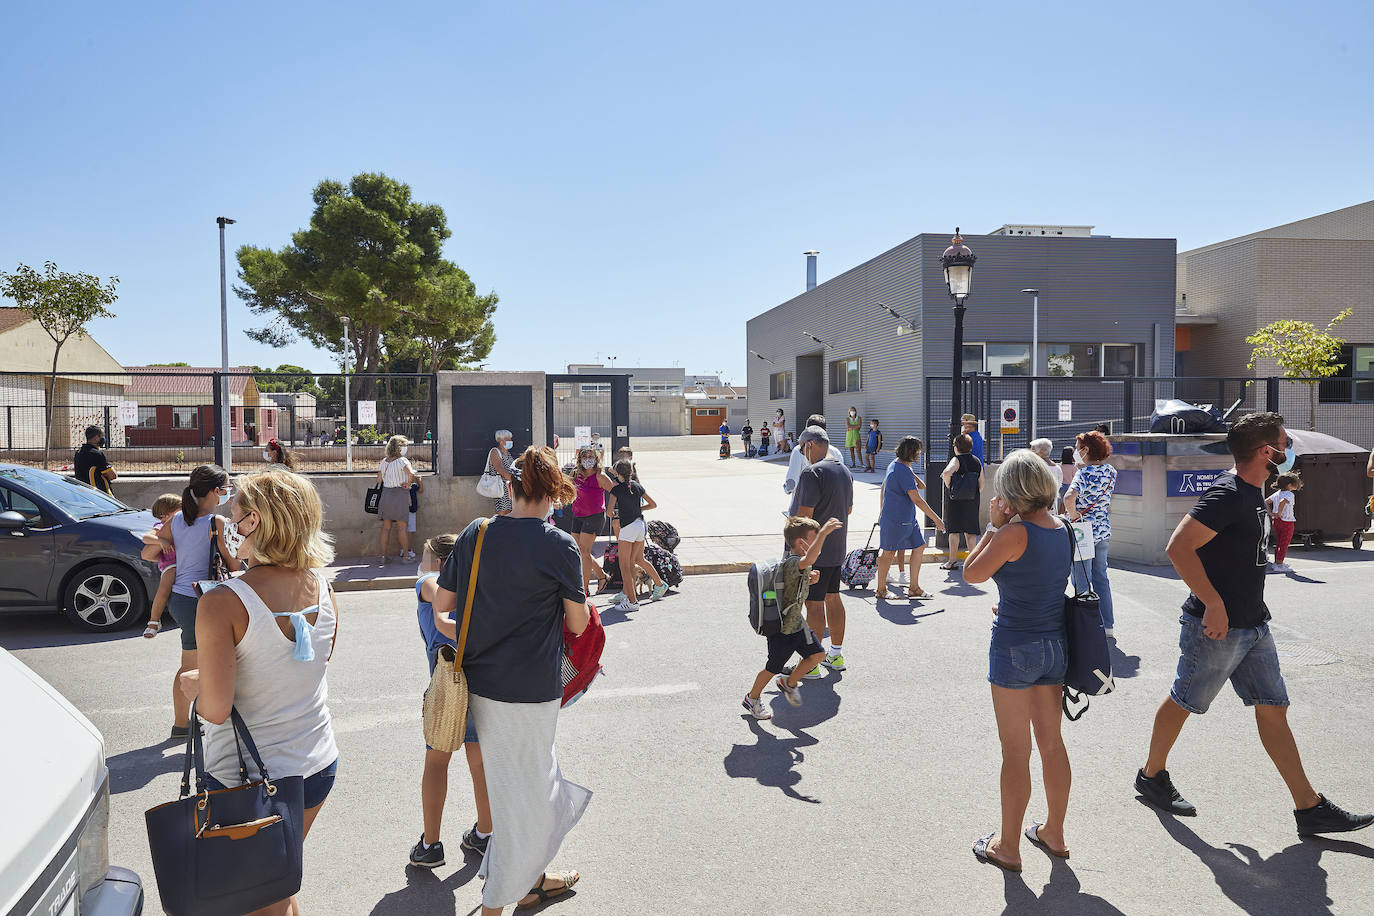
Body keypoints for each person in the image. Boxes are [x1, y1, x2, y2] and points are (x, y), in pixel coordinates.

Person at [1136, 412, 1372, 836]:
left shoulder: (1251, 492)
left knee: (1274, 708)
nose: (1289, 449)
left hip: (1254, 625)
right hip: (1217, 628)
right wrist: (1212, 603)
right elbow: (1179, 547)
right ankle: (1151, 776)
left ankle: (1309, 807)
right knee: (1185, 701)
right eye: (1285, 442)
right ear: (1268, 452)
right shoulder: (1226, 493)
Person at [431, 446, 591, 914]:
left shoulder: (476, 533)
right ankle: (500, 900)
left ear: (511, 487)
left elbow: (442, 610)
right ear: (553, 492)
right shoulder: (558, 544)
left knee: (521, 789)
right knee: (527, 794)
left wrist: (471, 632)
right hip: (534, 689)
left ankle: (529, 879)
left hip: (481, 686)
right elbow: (578, 624)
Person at [178, 469, 340, 916]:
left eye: (235, 517)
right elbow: (309, 669)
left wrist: (192, 684)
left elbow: (214, 708)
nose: (229, 526)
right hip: (316, 763)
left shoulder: (223, 602)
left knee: (258, 900)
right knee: (274, 889)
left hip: (250, 780)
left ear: (256, 522)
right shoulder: (323, 587)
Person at [961, 450, 1074, 872]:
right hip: (1055, 645)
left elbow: (971, 574)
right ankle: (1055, 832)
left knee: (1015, 751)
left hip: (1014, 646)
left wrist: (993, 525)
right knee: (1051, 744)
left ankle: (1008, 847)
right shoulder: (1063, 528)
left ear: (1010, 491)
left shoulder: (1013, 533)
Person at [410, 533, 492, 868]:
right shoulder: (477, 587)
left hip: (448, 684)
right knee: (479, 764)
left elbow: (429, 586)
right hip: (479, 681)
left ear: (442, 562)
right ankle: (485, 835)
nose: (422, 559)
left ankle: (430, 845)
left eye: (427, 553)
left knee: (437, 762)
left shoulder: (430, 582)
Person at [155, 464, 239, 740]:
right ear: (216, 491)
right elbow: (232, 562)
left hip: (180, 597)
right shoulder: (217, 523)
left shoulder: (177, 519)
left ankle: (185, 722)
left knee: (194, 661)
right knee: (191, 666)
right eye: (227, 488)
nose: (229, 492)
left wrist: (172, 550)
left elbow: (158, 540)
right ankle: (182, 725)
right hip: (201, 598)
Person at [743, 516, 843, 719]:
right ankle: (752, 698)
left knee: (817, 656)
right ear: (801, 543)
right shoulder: (794, 562)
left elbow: (793, 587)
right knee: (772, 668)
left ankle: (788, 683)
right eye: (814, 540)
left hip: (797, 624)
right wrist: (823, 533)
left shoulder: (799, 565)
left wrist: (810, 580)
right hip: (782, 629)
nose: (818, 545)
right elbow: (809, 560)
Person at [793, 426, 854, 676]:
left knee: (814, 604)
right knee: (833, 597)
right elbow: (848, 510)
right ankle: (835, 655)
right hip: (837, 546)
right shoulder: (844, 470)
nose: (801, 453)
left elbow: (805, 516)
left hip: (814, 549)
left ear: (809, 445)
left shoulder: (812, 473)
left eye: (801, 448)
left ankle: (812, 663)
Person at [876, 437, 944, 600]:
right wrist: (936, 519)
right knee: (888, 553)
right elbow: (917, 498)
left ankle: (914, 587)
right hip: (896, 518)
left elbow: (921, 486)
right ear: (910, 452)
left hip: (906, 519)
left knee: (919, 546)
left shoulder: (898, 465)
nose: (920, 453)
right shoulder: (902, 470)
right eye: (918, 450)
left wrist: (911, 472)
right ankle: (881, 590)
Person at [1064, 431, 1118, 637]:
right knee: (1101, 578)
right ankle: (1108, 625)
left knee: (1082, 579)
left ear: (1086, 450)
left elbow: (1069, 498)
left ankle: (1086, 625)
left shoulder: (1083, 475)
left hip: (1083, 533)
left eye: (1078, 448)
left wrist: (1074, 517)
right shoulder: (1111, 471)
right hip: (1103, 529)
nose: (1076, 452)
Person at [607, 459, 667, 611]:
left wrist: (618, 513)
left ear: (618, 473)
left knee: (625, 565)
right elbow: (653, 504)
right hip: (640, 525)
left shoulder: (616, 489)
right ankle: (656, 585)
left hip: (627, 527)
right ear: (631, 472)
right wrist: (638, 510)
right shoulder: (637, 486)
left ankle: (632, 601)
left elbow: (609, 512)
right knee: (638, 559)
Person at [570, 446, 615, 595]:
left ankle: (584, 588)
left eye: (591, 457)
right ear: (580, 459)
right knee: (580, 551)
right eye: (585, 457)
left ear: (596, 459)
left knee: (584, 551)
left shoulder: (600, 476)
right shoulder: (576, 473)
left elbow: (615, 492)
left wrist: (610, 509)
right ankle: (602, 576)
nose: (587, 460)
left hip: (594, 516)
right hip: (578, 515)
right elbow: (568, 488)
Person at [138, 493, 184, 639]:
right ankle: (153, 622)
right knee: (164, 589)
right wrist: (161, 541)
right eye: (179, 510)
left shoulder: (181, 523)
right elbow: (146, 538)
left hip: (184, 562)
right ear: (166, 514)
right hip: (171, 564)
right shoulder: (161, 526)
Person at [940, 434, 985, 570]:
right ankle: (972, 561)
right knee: (970, 532)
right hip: (972, 500)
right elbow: (981, 483)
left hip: (956, 500)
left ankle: (952, 561)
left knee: (954, 531)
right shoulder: (976, 461)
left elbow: (947, 472)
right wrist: (973, 493)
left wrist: (949, 486)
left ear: (956, 447)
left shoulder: (956, 459)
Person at [784, 414, 844, 508]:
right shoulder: (836, 452)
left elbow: (792, 482)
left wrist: (786, 488)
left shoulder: (798, 450)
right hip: (831, 510)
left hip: (803, 509)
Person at [377, 435, 419, 563]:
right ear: (398, 447)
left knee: (386, 527)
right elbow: (411, 473)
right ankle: (406, 556)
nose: (405, 448)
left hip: (386, 494)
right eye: (403, 445)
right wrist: (408, 484)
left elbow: (379, 480)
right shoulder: (403, 461)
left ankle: (383, 556)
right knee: (402, 527)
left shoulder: (384, 461)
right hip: (400, 494)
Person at [1267, 472, 1302, 573]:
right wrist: (1279, 512)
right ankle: (1279, 565)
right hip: (1287, 522)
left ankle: (1278, 562)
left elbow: (1266, 501)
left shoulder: (1278, 493)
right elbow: (1283, 501)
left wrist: (1271, 513)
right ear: (1289, 485)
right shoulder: (1289, 494)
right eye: (1296, 483)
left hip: (1277, 521)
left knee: (1279, 543)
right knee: (1284, 543)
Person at [73, 425, 116, 493]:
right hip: (99, 494)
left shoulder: (79, 452)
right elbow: (113, 475)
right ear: (96, 437)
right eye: (102, 436)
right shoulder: (96, 454)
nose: (104, 439)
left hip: (84, 493)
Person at [486, 430, 517, 516]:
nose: (511, 441)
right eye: (508, 439)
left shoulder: (507, 453)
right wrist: (515, 481)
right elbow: (501, 470)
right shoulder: (495, 452)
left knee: (510, 512)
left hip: (509, 488)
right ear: (500, 440)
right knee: (502, 512)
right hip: (501, 488)